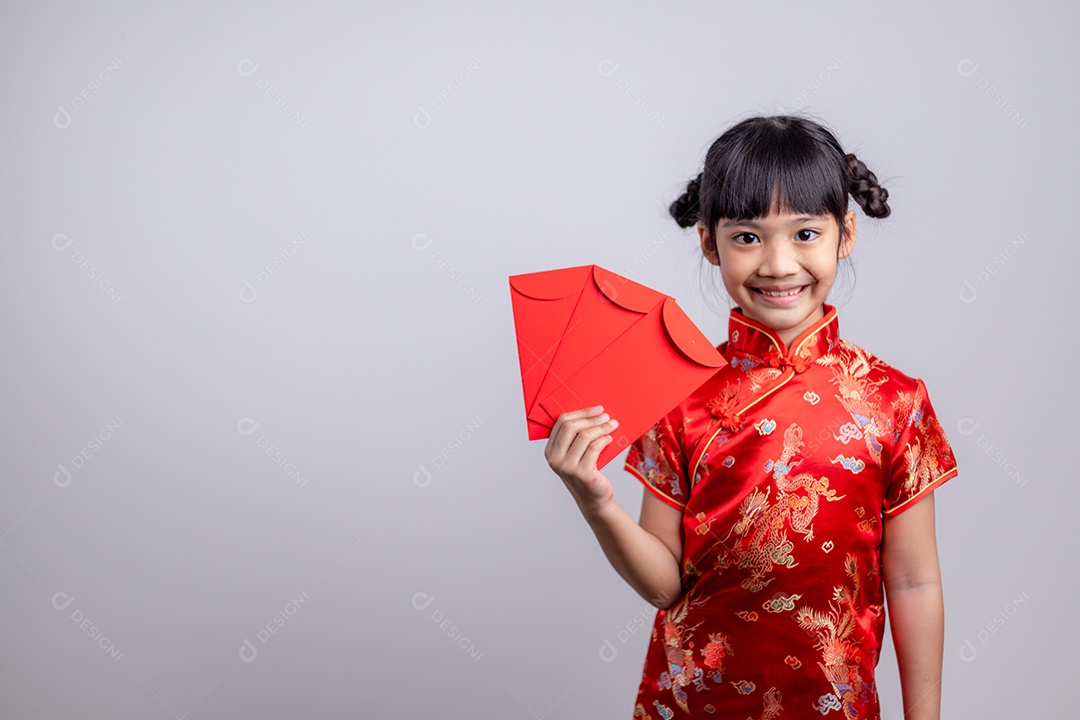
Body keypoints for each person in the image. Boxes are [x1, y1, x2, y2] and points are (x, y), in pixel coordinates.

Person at [544, 114, 959, 719]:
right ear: (709, 242)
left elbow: (916, 585)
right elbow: (665, 586)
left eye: (805, 234)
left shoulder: (894, 401)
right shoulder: (678, 398)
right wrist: (592, 498)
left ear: (845, 233)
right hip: (691, 706)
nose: (778, 264)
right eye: (747, 237)